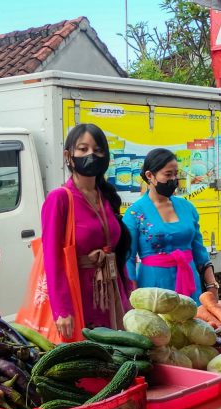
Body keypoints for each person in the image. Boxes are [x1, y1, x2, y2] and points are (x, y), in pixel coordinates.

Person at [41, 123, 133, 340]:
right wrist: (62, 309)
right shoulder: (59, 198)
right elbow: (51, 259)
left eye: (98, 150)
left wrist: (128, 291)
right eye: (83, 149)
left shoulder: (106, 196)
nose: (91, 154)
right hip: (79, 293)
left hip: (113, 291)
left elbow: (117, 251)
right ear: (68, 156)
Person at [123, 148, 219, 304]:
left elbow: (200, 252)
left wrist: (212, 285)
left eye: (176, 174)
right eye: (168, 175)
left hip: (190, 284)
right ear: (150, 176)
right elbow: (128, 258)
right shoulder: (134, 213)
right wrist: (132, 296)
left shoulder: (187, 208)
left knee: (192, 318)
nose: (174, 179)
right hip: (154, 288)